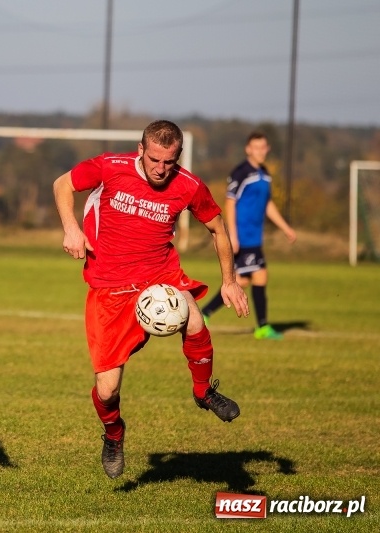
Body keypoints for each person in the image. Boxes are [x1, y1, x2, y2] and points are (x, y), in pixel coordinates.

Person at [53, 120, 249, 480]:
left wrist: (229, 282)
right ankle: (114, 434)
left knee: (194, 318)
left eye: (169, 162)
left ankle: (203, 391)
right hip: (109, 288)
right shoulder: (110, 167)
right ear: (141, 150)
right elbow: (62, 183)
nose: (161, 169)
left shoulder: (188, 186)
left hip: (160, 276)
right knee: (107, 390)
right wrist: (71, 228)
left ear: (179, 157)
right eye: (155, 159)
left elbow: (218, 228)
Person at [200, 131, 296, 340]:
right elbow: (230, 203)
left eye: (264, 147)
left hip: (255, 236)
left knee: (248, 279)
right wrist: (232, 235)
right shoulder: (241, 172)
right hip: (242, 236)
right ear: (248, 149)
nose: (261, 151)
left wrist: (285, 227)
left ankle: (206, 314)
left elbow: (267, 204)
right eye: (256, 147)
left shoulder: (265, 173)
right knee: (251, 278)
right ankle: (260, 326)